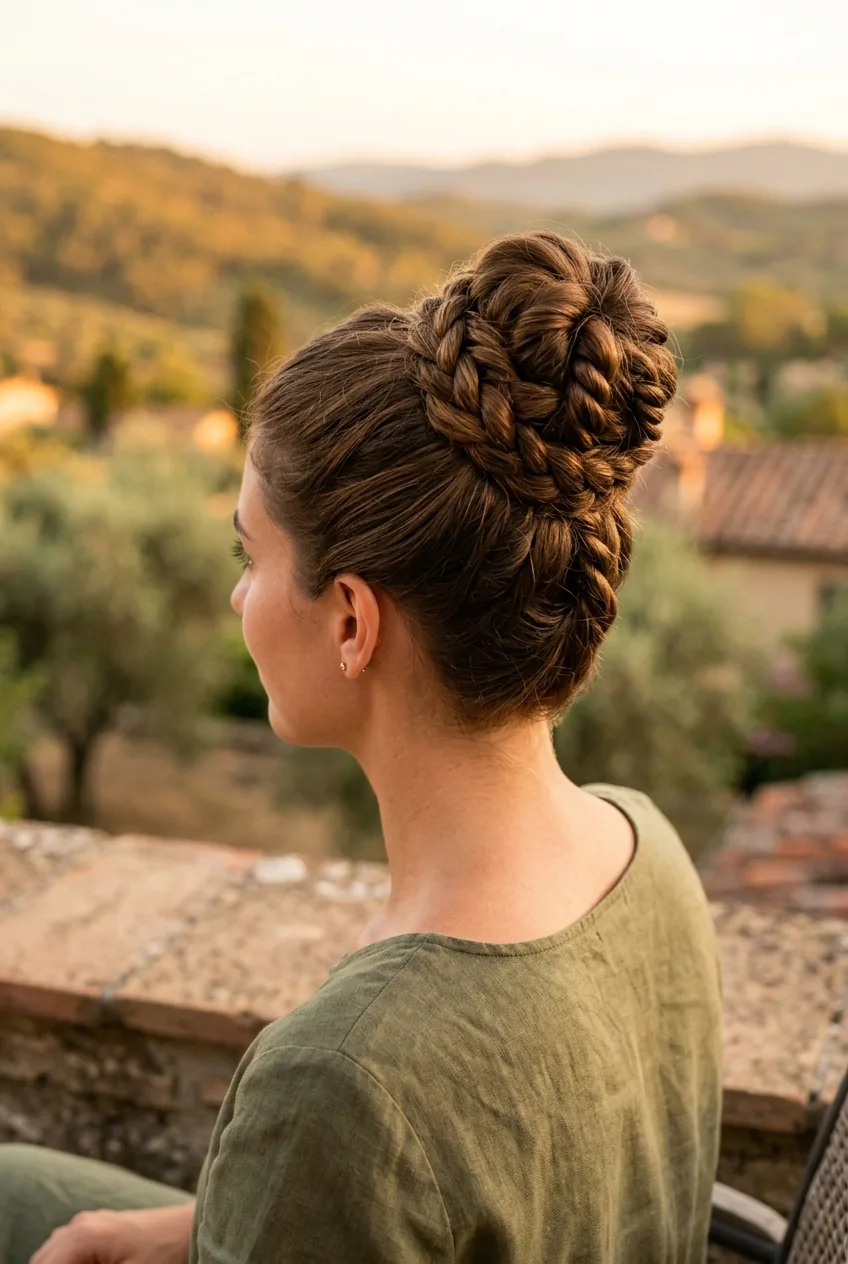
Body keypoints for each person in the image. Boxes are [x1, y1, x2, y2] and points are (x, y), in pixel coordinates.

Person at [0, 231, 722, 1263]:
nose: (237, 598)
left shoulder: (344, 1081)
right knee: (18, 1188)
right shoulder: (643, 848)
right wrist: (195, 1229)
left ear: (350, 621)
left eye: (249, 556)